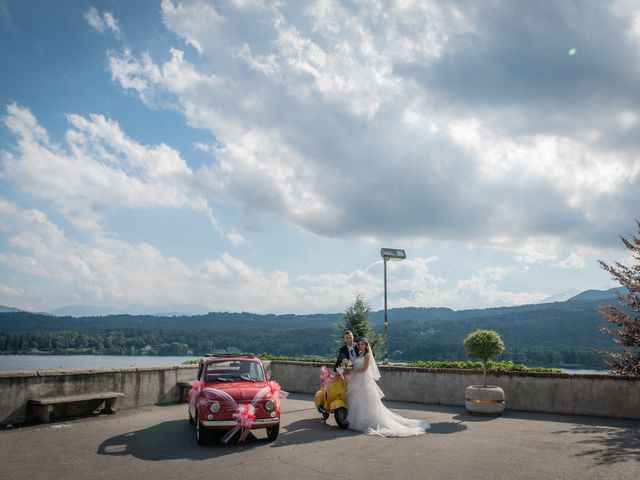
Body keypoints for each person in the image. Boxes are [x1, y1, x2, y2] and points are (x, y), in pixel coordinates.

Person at [346, 338, 430, 437]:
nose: (361, 346)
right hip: (357, 379)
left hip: (364, 380)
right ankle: (359, 421)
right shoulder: (360, 354)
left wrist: (353, 370)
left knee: (366, 400)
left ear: (366, 345)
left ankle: (368, 422)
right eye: (359, 344)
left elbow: (364, 369)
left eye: (363, 344)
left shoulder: (367, 355)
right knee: (358, 399)